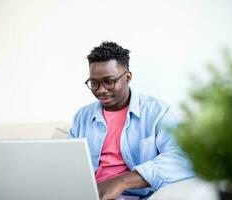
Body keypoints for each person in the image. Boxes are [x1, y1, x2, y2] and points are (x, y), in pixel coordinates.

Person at [68, 41, 194, 200]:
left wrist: (121, 182)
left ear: (127, 77)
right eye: (94, 83)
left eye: (109, 81)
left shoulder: (158, 113)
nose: (100, 90)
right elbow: (68, 162)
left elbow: (181, 158)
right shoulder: (82, 116)